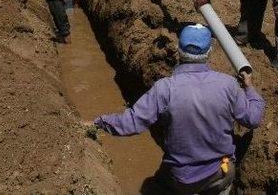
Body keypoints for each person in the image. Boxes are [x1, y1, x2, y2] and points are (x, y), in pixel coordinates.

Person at [91, 24, 266, 195]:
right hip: (219, 174)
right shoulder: (228, 85)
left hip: (180, 180)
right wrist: (249, 88)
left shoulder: (165, 89)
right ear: (209, 52)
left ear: (178, 49)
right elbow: (253, 119)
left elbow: (131, 123)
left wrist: (98, 123)